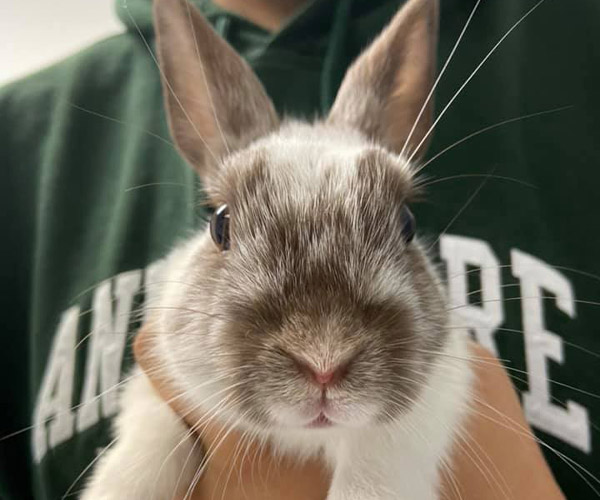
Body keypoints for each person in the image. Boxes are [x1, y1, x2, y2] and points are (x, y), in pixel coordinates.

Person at [1, 0, 598, 498]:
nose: (324, 354)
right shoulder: (22, 134)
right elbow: (157, 383)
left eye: (402, 227)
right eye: (228, 225)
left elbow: (459, 375)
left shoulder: (573, 45)